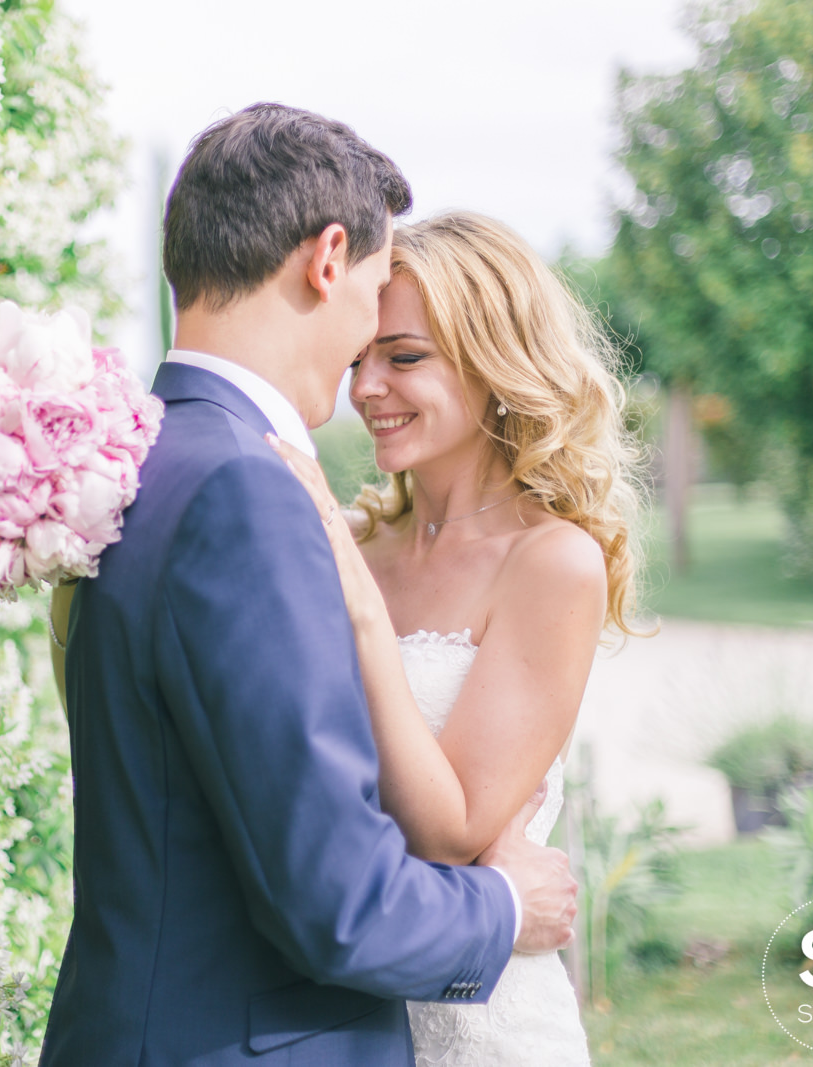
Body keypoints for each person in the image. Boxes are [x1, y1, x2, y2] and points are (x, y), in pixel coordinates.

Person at [39, 104, 578, 1067]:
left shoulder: (138, 457)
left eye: (403, 351)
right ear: (330, 259)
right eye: (373, 302)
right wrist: (505, 905)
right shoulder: (248, 488)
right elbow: (336, 903)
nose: (367, 368)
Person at [268, 210, 643, 1065]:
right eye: (360, 355)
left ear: (495, 363)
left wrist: (360, 609)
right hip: (336, 1012)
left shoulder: (551, 563)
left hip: (487, 1025)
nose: (367, 387)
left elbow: (455, 830)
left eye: (404, 358)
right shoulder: (354, 545)